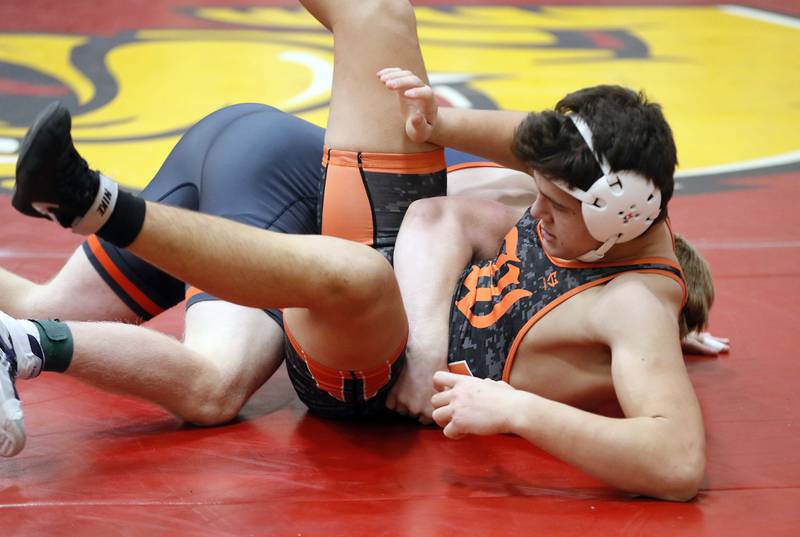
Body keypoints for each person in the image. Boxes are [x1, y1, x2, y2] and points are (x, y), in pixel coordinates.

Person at [1, 0, 722, 500]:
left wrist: (515, 409)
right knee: (381, 17)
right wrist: (435, 119)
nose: (535, 214)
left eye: (556, 210)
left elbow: (679, 460)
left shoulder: (635, 305)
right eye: (543, 194)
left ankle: (85, 207)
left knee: (350, 276)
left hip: (351, 320)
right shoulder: (590, 183)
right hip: (363, 265)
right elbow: (448, 209)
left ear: (625, 216)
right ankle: (65, 255)